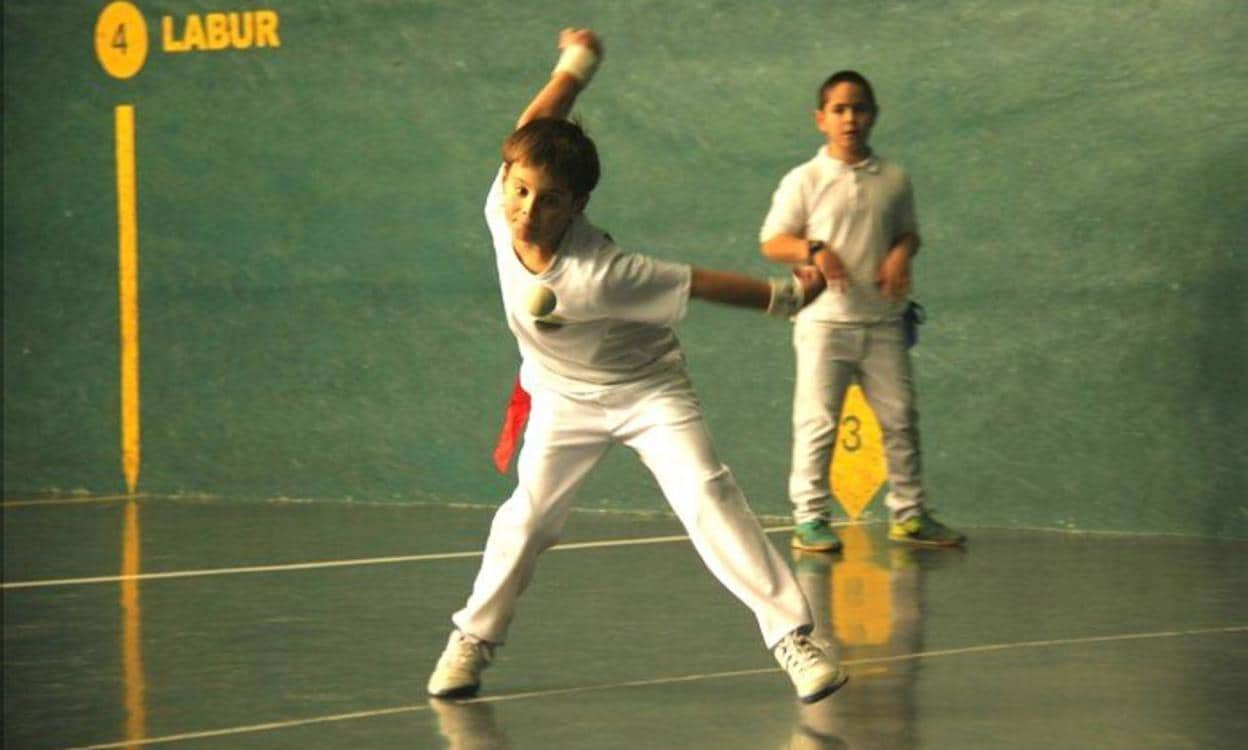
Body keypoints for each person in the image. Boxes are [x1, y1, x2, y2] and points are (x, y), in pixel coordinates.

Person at [427, 28, 848, 705]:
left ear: (579, 206)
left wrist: (790, 296)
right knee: (527, 518)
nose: (527, 211)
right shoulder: (499, 205)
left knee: (708, 495)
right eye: (520, 190)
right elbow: (537, 124)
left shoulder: (605, 274)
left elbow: (704, 282)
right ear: (506, 179)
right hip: (561, 397)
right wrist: (576, 64)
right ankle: (472, 641)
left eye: (550, 200)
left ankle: (794, 638)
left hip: (647, 393)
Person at [759, 70, 966, 553]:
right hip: (823, 323)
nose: (850, 118)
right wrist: (814, 249)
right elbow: (773, 241)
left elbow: (908, 233)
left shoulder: (894, 179)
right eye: (839, 109)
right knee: (817, 423)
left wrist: (900, 254)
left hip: (884, 323)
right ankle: (809, 519)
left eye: (859, 109)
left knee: (900, 419)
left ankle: (910, 515)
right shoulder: (803, 180)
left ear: (874, 115)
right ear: (821, 119)